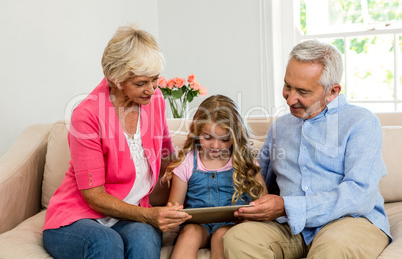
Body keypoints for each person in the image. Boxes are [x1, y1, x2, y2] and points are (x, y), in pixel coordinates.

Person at [223, 40, 392, 258]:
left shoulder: (361, 123)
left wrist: (287, 206)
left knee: (333, 248)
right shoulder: (280, 127)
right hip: (290, 228)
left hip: (350, 222)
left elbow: (359, 194)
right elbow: (257, 180)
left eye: (302, 91)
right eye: (287, 86)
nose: (290, 99)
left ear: (332, 91)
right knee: (238, 238)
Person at [42, 24, 191, 259]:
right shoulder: (87, 114)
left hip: (131, 216)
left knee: (144, 240)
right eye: (141, 83)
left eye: (155, 80)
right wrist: (150, 216)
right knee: (106, 243)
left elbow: (167, 160)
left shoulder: (156, 100)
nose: (151, 90)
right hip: (79, 217)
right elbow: (94, 195)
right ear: (116, 79)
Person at [162, 94, 268, 259]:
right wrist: (172, 212)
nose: (215, 146)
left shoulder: (245, 162)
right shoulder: (187, 162)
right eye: (207, 137)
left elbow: (264, 202)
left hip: (232, 226)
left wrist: (249, 219)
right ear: (197, 132)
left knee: (222, 236)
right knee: (189, 232)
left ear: (234, 137)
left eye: (224, 139)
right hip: (198, 226)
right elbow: (174, 206)